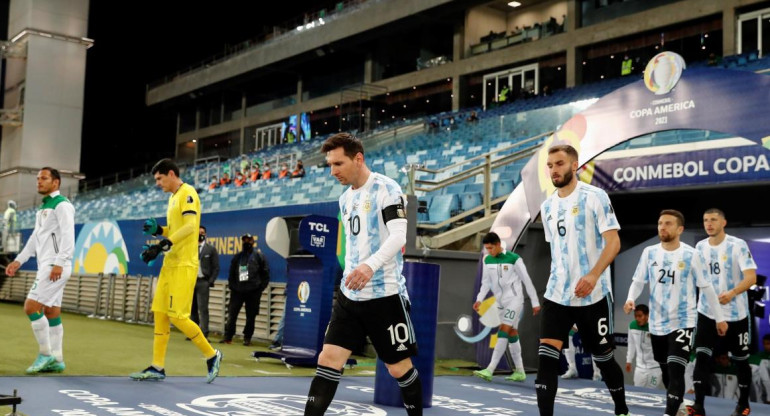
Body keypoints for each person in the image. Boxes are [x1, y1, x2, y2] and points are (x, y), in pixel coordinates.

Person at [304, 133, 422, 416]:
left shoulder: (387, 189)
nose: (333, 171)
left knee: (398, 368)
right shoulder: (345, 199)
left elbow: (398, 237)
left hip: (385, 296)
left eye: (338, 164)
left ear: (358, 159)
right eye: (330, 165)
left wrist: (370, 266)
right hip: (350, 296)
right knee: (329, 359)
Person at [537, 144, 629, 416]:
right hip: (556, 295)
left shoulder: (595, 196)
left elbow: (614, 243)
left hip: (593, 295)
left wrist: (593, 274)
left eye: (560, 163)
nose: (554, 169)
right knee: (546, 362)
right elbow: (556, 251)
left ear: (574, 165)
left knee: (604, 359)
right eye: (551, 165)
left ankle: (621, 409)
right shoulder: (547, 206)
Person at [624, 209, 727, 416]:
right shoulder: (649, 252)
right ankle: (678, 403)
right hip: (657, 322)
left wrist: (720, 318)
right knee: (664, 368)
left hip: (683, 320)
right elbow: (638, 281)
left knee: (676, 368)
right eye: (660, 223)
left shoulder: (691, 254)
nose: (662, 227)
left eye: (668, 223)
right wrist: (630, 298)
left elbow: (706, 288)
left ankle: (669, 413)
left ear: (680, 229)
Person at [130, 158, 223, 383]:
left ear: (171, 174)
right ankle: (157, 367)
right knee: (160, 314)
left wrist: (163, 244)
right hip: (170, 263)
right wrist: (159, 230)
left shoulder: (188, 193)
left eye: (160, 178)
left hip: (184, 264)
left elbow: (191, 227)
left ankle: (212, 355)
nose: (158, 183)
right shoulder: (173, 198)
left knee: (178, 316)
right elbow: (175, 228)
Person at [5, 167, 74, 374]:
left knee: (30, 307)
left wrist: (59, 263)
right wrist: (18, 260)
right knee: (52, 311)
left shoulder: (62, 205)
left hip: (55, 265)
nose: (39, 182)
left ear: (56, 183)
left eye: (44, 178)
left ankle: (45, 354)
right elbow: (35, 238)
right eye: (37, 179)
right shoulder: (43, 207)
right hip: (48, 264)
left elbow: (69, 235)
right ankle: (58, 359)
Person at [689, 208, 757, 416]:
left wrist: (733, 292)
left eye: (713, 220)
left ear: (724, 223)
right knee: (701, 358)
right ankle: (699, 406)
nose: (708, 224)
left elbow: (751, 278)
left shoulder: (737, 245)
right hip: (708, 313)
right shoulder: (700, 246)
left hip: (736, 315)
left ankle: (743, 404)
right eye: (705, 220)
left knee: (741, 361)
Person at [472, 231, 539, 382]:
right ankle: (520, 371)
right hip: (500, 302)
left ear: (498, 245)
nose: (489, 251)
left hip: (515, 300)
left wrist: (535, 302)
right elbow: (486, 283)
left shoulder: (514, 259)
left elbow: (526, 280)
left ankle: (490, 369)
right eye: (487, 249)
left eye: (491, 248)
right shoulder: (487, 260)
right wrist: (479, 299)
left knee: (503, 330)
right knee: (512, 333)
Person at [221, 234, 270, 346]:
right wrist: (233, 286)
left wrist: (260, 289)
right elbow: (231, 273)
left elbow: (265, 274)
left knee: (251, 316)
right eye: (244, 240)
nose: (246, 242)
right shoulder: (238, 257)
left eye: (249, 240)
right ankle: (228, 337)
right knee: (232, 314)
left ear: (253, 242)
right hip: (237, 291)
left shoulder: (259, 256)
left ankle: (247, 338)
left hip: (253, 292)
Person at [190, 226, 219, 339]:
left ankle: (204, 334)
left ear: (205, 234)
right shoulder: (190, 248)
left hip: (203, 282)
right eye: (198, 232)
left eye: (202, 233)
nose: (200, 234)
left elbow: (216, 267)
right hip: (191, 282)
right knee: (192, 309)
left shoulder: (210, 249)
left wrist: (210, 281)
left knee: (203, 309)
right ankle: (194, 333)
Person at [625, 304, 663, 389]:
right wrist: (629, 360)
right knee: (637, 392)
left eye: (640, 316)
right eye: (635, 316)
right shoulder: (632, 326)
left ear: (647, 315)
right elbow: (631, 344)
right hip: (639, 368)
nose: (637, 319)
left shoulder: (655, 327)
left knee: (651, 393)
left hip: (655, 368)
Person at [748, 334, 770, 404]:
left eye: (768, 344)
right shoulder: (759, 357)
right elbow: (764, 379)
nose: (766, 346)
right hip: (763, 393)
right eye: (764, 344)